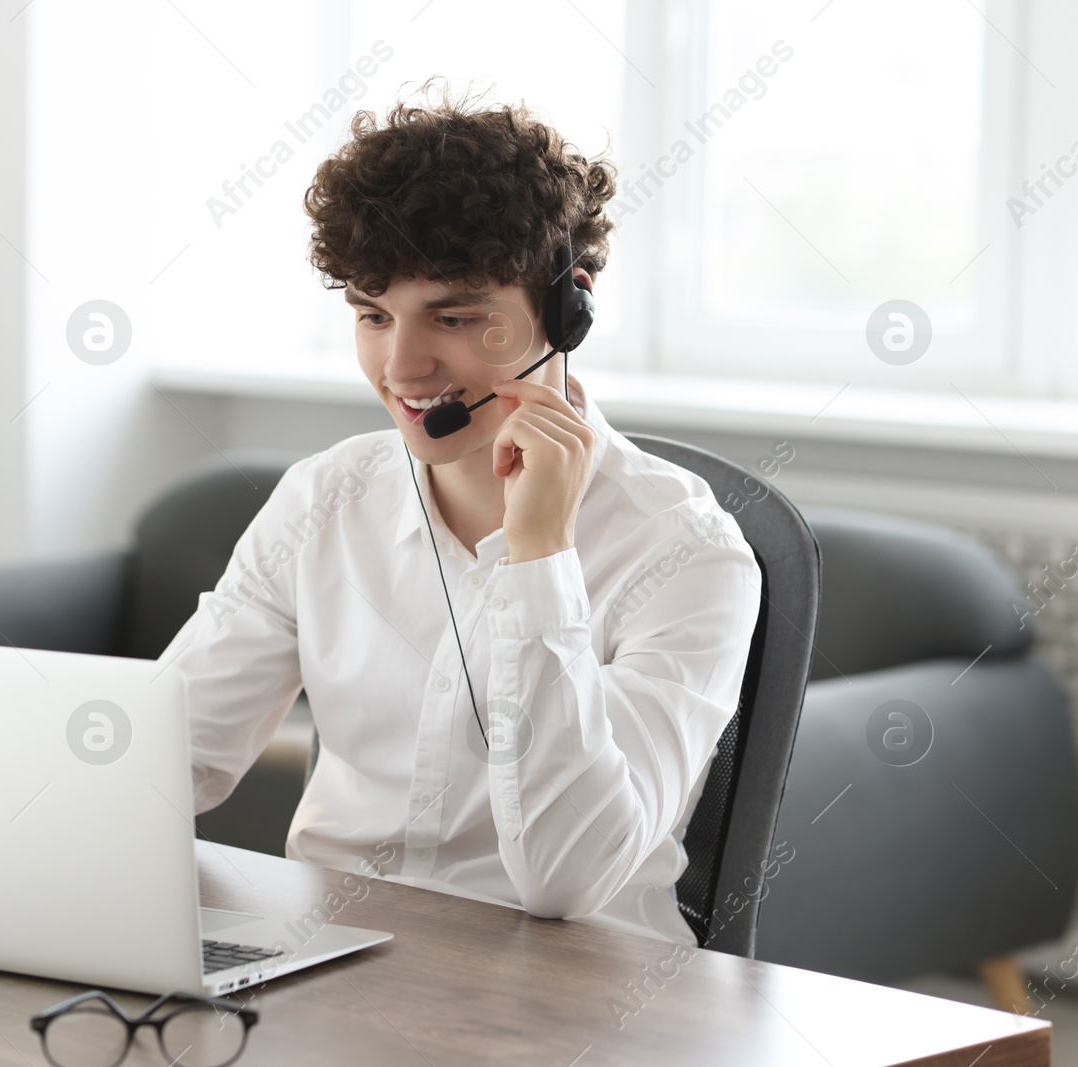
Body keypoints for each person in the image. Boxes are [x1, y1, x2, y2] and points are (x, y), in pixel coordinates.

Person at [156, 83, 761, 945]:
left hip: (576, 1000)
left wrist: (541, 554)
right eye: (373, 315)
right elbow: (164, 763)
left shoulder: (686, 551)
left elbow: (570, 879)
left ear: (567, 308)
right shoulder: (325, 499)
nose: (402, 367)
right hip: (329, 967)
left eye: (454, 317)